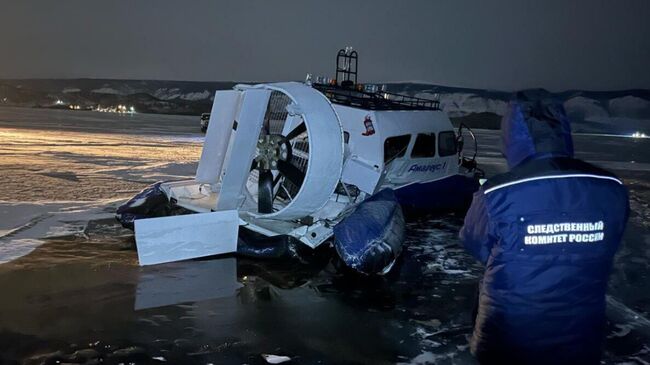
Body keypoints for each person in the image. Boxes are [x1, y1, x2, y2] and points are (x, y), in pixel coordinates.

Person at [459, 96, 629, 364]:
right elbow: (611, 241)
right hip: (580, 337)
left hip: (509, 338)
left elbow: (473, 242)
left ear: (512, 137)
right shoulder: (611, 187)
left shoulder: (498, 192)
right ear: (563, 132)